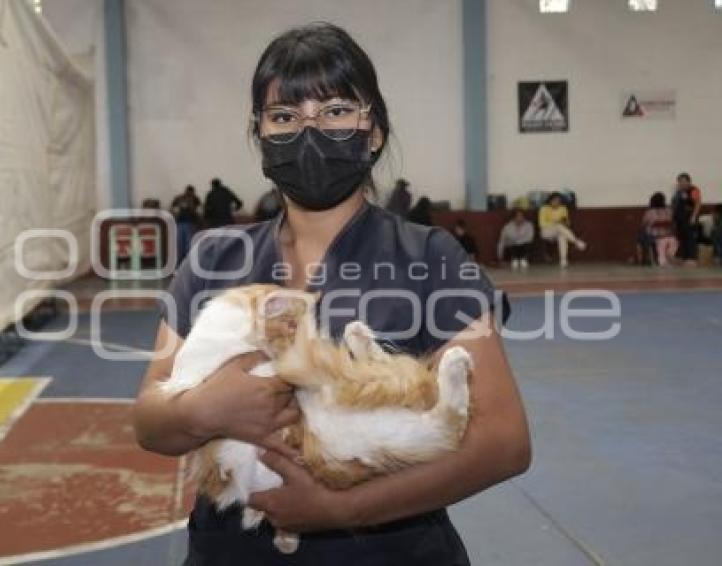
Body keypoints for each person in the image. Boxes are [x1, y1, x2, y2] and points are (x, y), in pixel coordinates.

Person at [133, 23, 530, 566]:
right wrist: (206, 408)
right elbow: (150, 420)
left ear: (375, 131)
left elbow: (503, 442)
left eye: (337, 110)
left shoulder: (432, 258)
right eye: (284, 117)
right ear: (261, 136)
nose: (309, 131)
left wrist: (344, 510)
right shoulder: (211, 257)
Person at [538, 192, 586, 268]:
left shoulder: (563, 208)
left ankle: (563, 260)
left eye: (558, 201)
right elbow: (542, 224)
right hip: (546, 232)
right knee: (559, 227)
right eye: (554, 200)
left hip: (560, 231)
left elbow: (567, 223)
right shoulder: (544, 209)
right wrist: (555, 223)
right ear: (550, 201)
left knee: (562, 236)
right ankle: (576, 241)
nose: (556, 202)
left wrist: (565, 222)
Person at [672, 172, 702, 266]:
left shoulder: (694, 190)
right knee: (682, 238)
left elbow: (697, 203)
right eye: (679, 181)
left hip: (689, 218)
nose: (681, 183)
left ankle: (692, 258)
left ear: (688, 181)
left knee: (690, 238)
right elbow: (675, 204)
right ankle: (684, 258)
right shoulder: (679, 192)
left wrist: (693, 216)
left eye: (683, 181)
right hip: (680, 219)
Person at [641, 192, 678, 268]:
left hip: (655, 236)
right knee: (674, 242)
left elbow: (644, 223)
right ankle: (669, 255)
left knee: (660, 245)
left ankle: (662, 261)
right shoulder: (669, 211)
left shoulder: (649, 212)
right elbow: (672, 222)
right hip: (669, 235)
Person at [171, 185, 202, 263]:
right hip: (190, 223)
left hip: (180, 223)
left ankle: (180, 264)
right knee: (189, 245)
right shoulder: (194, 198)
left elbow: (172, 207)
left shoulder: (179, 198)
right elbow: (198, 210)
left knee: (180, 245)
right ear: (192, 191)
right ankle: (188, 263)